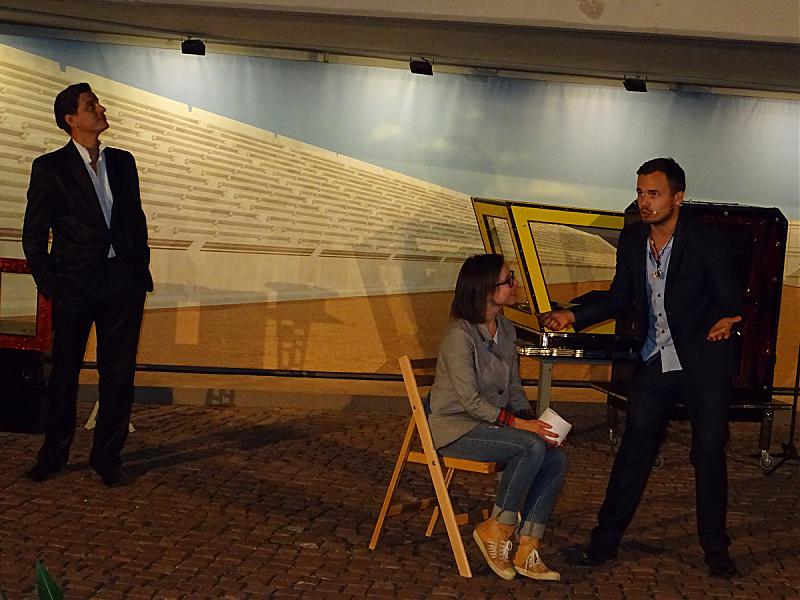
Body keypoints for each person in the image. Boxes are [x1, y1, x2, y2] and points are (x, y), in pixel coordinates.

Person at [539, 157, 742, 578]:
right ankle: (603, 544)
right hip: (654, 360)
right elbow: (621, 297)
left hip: (701, 364)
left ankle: (716, 551)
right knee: (633, 452)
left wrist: (727, 318)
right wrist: (573, 316)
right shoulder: (633, 240)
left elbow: (731, 296)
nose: (644, 202)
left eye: (654, 194)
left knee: (707, 454)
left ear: (677, 197)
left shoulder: (705, 239)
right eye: (639, 193)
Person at [22, 82, 152, 487]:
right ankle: (54, 455)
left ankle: (108, 457)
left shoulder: (123, 162)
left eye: (97, 104)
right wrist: (52, 285)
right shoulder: (50, 167)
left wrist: (137, 270)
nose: (101, 109)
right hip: (75, 286)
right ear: (71, 119)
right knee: (64, 374)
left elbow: (135, 220)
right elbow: (34, 234)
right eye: (91, 106)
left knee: (119, 375)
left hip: (122, 285)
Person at [428, 253, 568, 581]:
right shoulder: (460, 335)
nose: (515, 284)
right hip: (455, 427)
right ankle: (498, 528)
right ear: (487, 290)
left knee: (555, 456)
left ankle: (527, 547)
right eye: (508, 280)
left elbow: (514, 387)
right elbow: (470, 401)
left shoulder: (505, 329)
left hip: (490, 424)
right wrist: (523, 427)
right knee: (530, 446)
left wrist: (536, 422)